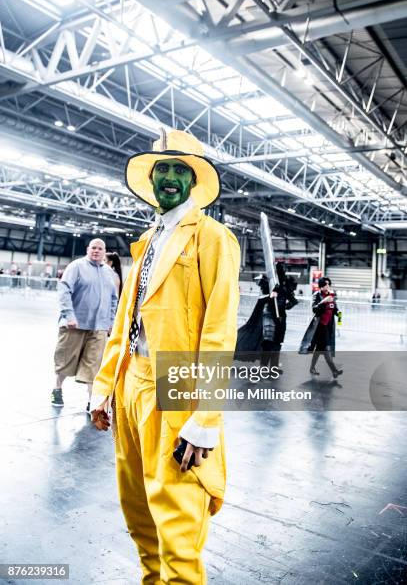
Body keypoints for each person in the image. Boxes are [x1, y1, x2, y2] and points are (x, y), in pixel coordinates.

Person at [90, 129, 240, 584]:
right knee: (140, 519)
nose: (170, 178)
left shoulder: (213, 239)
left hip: (177, 389)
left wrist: (205, 419)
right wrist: (104, 388)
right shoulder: (148, 240)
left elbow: (219, 332)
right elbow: (125, 321)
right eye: (163, 169)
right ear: (152, 179)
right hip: (130, 386)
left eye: (181, 170)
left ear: (193, 181)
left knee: (178, 526)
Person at [51, 238, 118, 412]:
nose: (96, 251)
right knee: (65, 361)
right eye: (93, 248)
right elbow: (64, 289)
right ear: (88, 249)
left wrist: (111, 322)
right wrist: (69, 315)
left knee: (94, 365)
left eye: (100, 248)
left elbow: (113, 299)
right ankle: (57, 389)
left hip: (99, 327)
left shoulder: (108, 272)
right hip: (75, 324)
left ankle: (92, 401)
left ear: (104, 252)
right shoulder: (76, 266)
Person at [235, 262, 298, 372]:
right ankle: (263, 367)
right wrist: (270, 296)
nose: (282, 271)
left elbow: (293, 300)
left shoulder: (285, 285)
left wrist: (286, 306)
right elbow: (261, 298)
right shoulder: (269, 283)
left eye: (283, 269)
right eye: (280, 269)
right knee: (268, 341)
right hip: (269, 314)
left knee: (277, 342)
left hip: (281, 316)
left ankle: (274, 367)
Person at [299, 276, 343, 378]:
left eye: (328, 284)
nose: (328, 286)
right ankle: (334, 371)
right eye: (325, 284)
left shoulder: (331, 296)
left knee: (319, 349)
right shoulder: (317, 295)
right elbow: (314, 310)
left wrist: (339, 315)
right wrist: (324, 301)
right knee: (326, 348)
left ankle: (312, 368)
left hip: (328, 326)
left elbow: (335, 309)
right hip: (319, 327)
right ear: (321, 286)